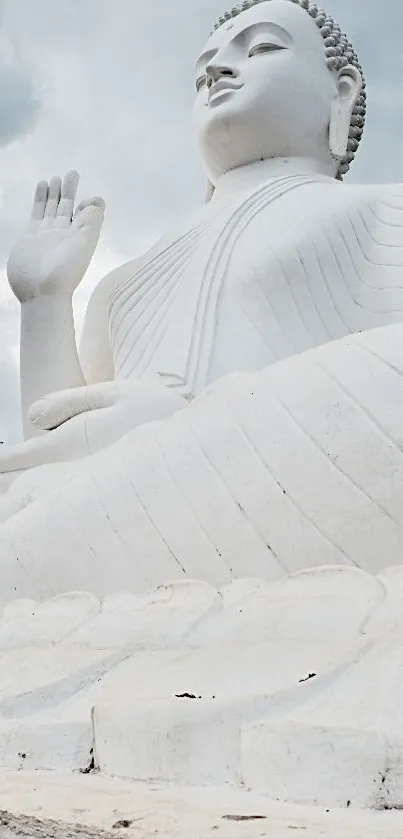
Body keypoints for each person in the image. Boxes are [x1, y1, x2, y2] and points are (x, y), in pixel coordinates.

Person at [1, 0, 403, 600]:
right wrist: (45, 303)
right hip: (104, 513)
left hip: (289, 493)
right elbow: (55, 438)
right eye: (202, 71)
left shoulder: (383, 211)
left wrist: (190, 422)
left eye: (262, 49)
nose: (218, 73)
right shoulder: (122, 284)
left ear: (340, 93)